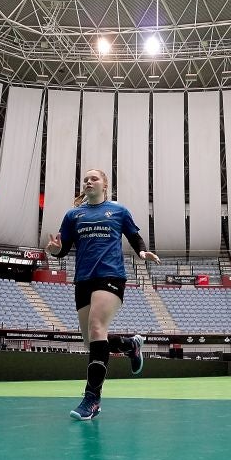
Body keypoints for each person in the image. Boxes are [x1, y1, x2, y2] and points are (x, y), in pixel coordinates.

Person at [45, 168, 161, 420]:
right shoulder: (73, 215)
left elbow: (134, 236)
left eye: (93, 178)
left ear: (105, 184)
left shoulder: (118, 211)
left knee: (97, 327)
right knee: (91, 342)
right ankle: (130, 345)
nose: (88, 181)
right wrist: (54, 250)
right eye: (85, 179)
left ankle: (92, 399)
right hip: (83, 279)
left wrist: (142, 253)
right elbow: (62, 250)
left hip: (111, 276)